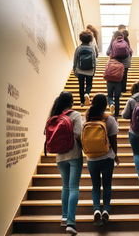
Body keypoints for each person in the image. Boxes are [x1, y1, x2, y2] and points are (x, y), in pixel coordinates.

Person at [47, 91, 83, 235]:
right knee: (74, 187)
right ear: (71, 102)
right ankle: (71, 222)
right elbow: (78, 134)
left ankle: (64, 216)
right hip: (74, 154)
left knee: (65, 186)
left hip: (60, 156)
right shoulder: (75, 115)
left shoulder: (53, 115)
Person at [84, 94, 119, 226]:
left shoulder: (86, 117)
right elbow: (114, 140)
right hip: (107, 157)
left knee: (95, 186)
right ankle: (106, 210)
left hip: (91, 158)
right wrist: (116, 155)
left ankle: (96, 209)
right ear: (105, 105)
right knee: (107, 185)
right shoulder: (108, 119)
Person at [106, 31, 131, 119]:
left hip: (112, 70)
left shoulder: (113, 42)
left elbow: (107, 52)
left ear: (114, 36)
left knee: (109, 95)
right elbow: (130, 52)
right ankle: (116, 113)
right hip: (121, 70)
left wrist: (112, 55)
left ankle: (111, 103)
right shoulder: (125, 42)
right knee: (117, 97)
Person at [73, 30, 96, 107]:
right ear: (90, 39)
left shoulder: (78, 48)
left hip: (80, 70)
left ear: (81, 39)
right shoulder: (92, 48)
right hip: (90, 70)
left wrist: (75, 70)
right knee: (89, 84)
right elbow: (94, 60)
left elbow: (75, 60)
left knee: (81, 86)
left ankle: (82, 102)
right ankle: (87, 93)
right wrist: (94, 70)